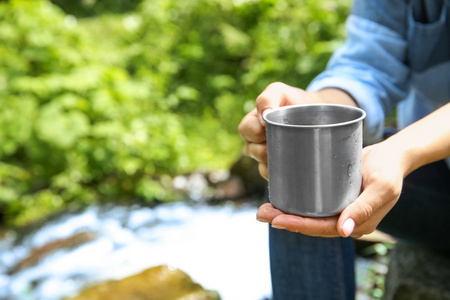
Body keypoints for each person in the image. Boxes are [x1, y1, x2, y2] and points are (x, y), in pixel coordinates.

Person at [238, 0, 450, 299]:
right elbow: (370, 65)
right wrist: (315, 107)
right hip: (440, 180)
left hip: (416, 153)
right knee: (305, 192)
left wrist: (403, 150)